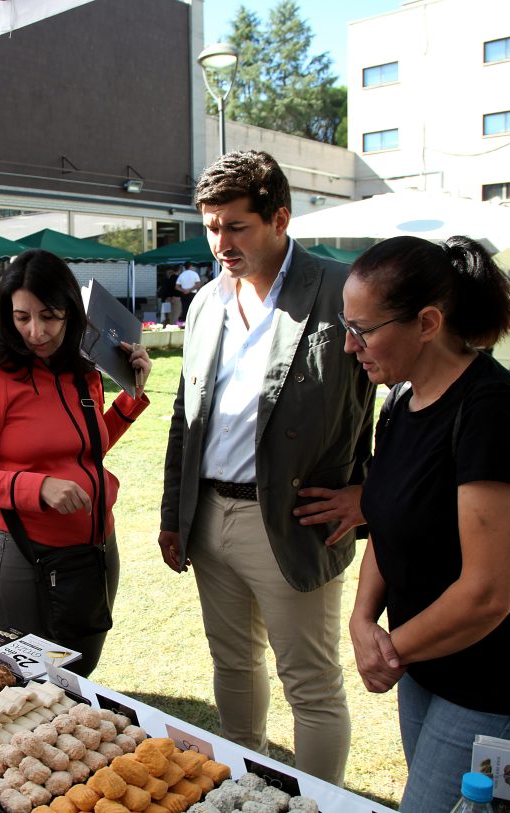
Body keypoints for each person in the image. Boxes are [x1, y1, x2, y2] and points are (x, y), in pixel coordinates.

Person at [341, 235, 510, 812]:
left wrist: (388, 649)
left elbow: (487, 594)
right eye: (346, 326)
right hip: (426, 658)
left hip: (501, 669)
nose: (351, 347)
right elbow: (386, 520)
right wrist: (361, 618)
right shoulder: (400, 402)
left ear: (428, 322)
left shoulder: (498, 415)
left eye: (364, 330)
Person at [159, 151, 376, 785]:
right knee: (231, 664)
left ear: (280, 217)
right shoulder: (204, 303)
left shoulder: (341, 290)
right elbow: (185, 416)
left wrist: (371, 494)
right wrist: (176, 515)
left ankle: (318, 804)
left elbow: (412, 392)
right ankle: (242, 786)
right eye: (210, 226)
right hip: (209, 517)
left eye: (235, 227)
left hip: (293, 518)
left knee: (309, 683)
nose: (220, 242)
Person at [0, 249, 151, 677]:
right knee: (33, 684)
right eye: (22, 317)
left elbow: (84, 450)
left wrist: (129, 401)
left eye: (49, 316)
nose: (36, 332)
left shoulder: (83, 370)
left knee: (80, 672)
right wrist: (37, 488)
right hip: (25, 558)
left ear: (71, 313)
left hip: (95, 549)